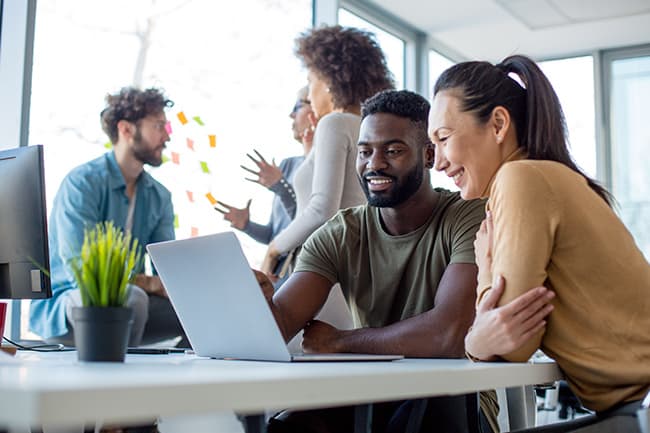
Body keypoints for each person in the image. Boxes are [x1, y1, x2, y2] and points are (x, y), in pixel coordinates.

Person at [256, 90, 498, 433]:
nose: (375, 164)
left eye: (394, 151)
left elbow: (448, 336)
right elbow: (280, 323)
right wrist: (258, 301)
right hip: (372, 398)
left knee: (423, 407)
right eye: (365, 152)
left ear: (429, 155)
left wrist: (341, 342)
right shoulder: (342, 231)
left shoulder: (468, 217)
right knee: (292, 425)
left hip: (455, 400)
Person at [429, 54, 650, 430]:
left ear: (498, 124)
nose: (437, 162)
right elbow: (500, 334)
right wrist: (480, 339)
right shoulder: (543, 177)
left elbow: (511, 345)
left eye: (444, 139)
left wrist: (484, 267)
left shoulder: (520, 179)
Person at [30, 86, 188, 348]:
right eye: (159, 126)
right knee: (132, 298)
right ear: (126, 130)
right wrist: (150, 283)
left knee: (205, 310)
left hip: (133, 306)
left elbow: (168, 274)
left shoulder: (160, 196)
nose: (167, 136)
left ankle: (175, 383)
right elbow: (82, 270)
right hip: (71, 302)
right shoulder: (82, 183)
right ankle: (120, 380)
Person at [260, 25, 394, 278]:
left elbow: (322, 209)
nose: (310, 92)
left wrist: (273, 248)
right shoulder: (368, 128)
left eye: (311, 81)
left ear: (330, 79)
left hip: (322, 265)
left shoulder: (335, 123)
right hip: (354, 264)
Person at [215, 87, 315, 262]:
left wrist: (281, 187)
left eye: (297, 106)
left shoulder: (321, 167)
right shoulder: (288, 165)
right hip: (276, 271)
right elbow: (273, 235)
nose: (291, 115)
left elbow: (308, 227)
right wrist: (247, 226)